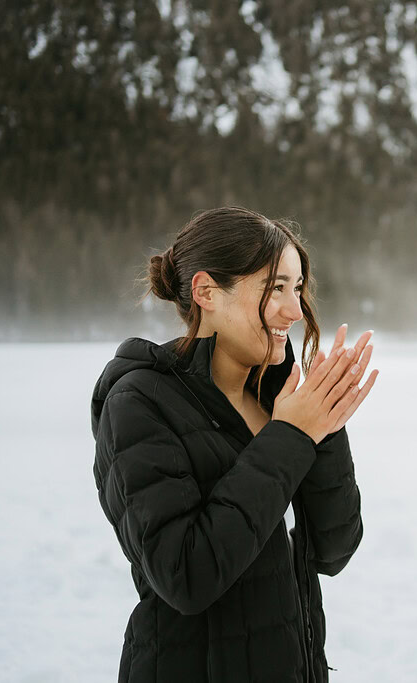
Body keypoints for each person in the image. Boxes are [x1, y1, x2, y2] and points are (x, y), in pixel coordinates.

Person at [91, 206, 377, 682]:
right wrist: (292, 437)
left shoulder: (276, 397)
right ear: (207, 292)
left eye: (297, 288)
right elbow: (186, 576)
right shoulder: (140, 403)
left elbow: (334, 550)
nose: (294, 309)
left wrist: (322, 428)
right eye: (275, 288)